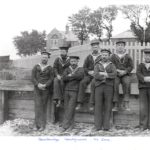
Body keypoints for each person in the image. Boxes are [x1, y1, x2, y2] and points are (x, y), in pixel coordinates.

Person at [76, 39, 101, 112]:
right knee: (82, 83)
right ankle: (80, 102)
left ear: (98, 47)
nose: (94, 48)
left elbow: (103, 67)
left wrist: (96, 73)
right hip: (89, 74)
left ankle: (91, 103)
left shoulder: (101, 56)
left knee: (93, 84)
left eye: (96, 47)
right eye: (93, 47)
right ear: (91, 48)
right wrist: (89, 72)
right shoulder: (88, 57)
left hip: (97, 75)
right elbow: (84, 67)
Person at [94, 49, 116, 131]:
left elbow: (114, 74)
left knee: (108, 106)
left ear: (109, 56)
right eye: (103, 55)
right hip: (99, 86)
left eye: (106, 55)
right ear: (101, 55)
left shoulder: (112, 65)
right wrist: (105, 76)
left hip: (108, 87)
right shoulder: (97, 65)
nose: (104, 56)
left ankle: (106, 126)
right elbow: (95, 75)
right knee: (98, 106)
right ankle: (98, 126)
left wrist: (104, 74)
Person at [60, 56, 84, 132]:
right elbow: (63, 78)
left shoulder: (80, 69)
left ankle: (65, 126)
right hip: (66, 90)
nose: (73, 63)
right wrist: (73, 77)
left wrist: (70, 76)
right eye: (72, 61)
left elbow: (80, 76)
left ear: (77, 62)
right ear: (70, 62)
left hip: (74, 91)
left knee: (70, 108)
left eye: (74, 61)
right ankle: (71, 125)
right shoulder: (67, 69)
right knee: (67, 108)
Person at [31, 51, 54, 131]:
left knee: (43, 106)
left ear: (48, 59)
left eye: (46, 57)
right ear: (41, 58)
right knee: (37, 106)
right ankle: (36, 124)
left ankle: (42, 125)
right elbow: (32, 77)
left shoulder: (50, 68)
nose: (44, 59)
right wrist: (37, 84)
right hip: (37, 89)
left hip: (45, 89)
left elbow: (51, 78)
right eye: (43, 57)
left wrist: (45, 85)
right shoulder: (36, 66)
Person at [110, 41, 133, 111]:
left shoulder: (128, 56)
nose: (120, 46)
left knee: (127, 83)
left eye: (122, 45)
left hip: (125, 74)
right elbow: (111, 65)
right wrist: (117, 71)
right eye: (118, 45)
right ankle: (115, 104)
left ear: (124, 47)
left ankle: (126, 102)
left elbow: (131, 66)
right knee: (115, 83)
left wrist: (125, 71)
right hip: (116, 74)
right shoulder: (113, 56)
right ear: (116, 47)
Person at [53, 42, 70, 122]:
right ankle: (57, 98)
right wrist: (57, 75)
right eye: (61, 52)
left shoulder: (69, 59)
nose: (62, 53)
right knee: (56, 81)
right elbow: (55, 68)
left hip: (65, 77)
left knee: (62, 82)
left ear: (66, 52)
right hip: (58, 76)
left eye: (64, 52)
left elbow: (69, 69)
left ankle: (61, 99)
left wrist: (63, 76)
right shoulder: (57, 59)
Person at [136, 49, 150, 131]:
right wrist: (144, 78)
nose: (148, 57)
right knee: (143, 107)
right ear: (144, 56)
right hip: (143, 88)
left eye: (149, 55)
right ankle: (143, 125)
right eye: (146, 56)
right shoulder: (140, 65)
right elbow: (138, 73)